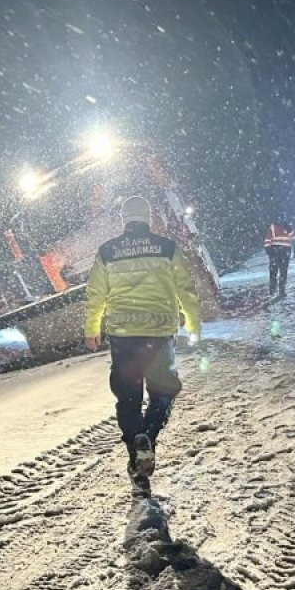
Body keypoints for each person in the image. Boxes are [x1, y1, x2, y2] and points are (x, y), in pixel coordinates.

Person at [84, 196, 202, 495]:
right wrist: (193, 324)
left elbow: (96, 294)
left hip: (123, 335)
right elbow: (185, 289)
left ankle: (136, 458)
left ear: (123, 220)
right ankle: (148, 435)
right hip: (159, 333)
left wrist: (92, 328)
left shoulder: (107, 251)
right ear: (149, 219)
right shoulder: (166, 248)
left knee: (128, 398)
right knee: (162, 393)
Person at [264, 220, 295, 297]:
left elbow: (294, 237)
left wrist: (290, 230)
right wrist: (268, 249)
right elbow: (267, 239)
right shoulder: (273, 227)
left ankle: (281, 290)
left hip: (282, 251)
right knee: (276, 271)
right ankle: (273, 290)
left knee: (282, 272)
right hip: (277, 250)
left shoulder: (288, 227)